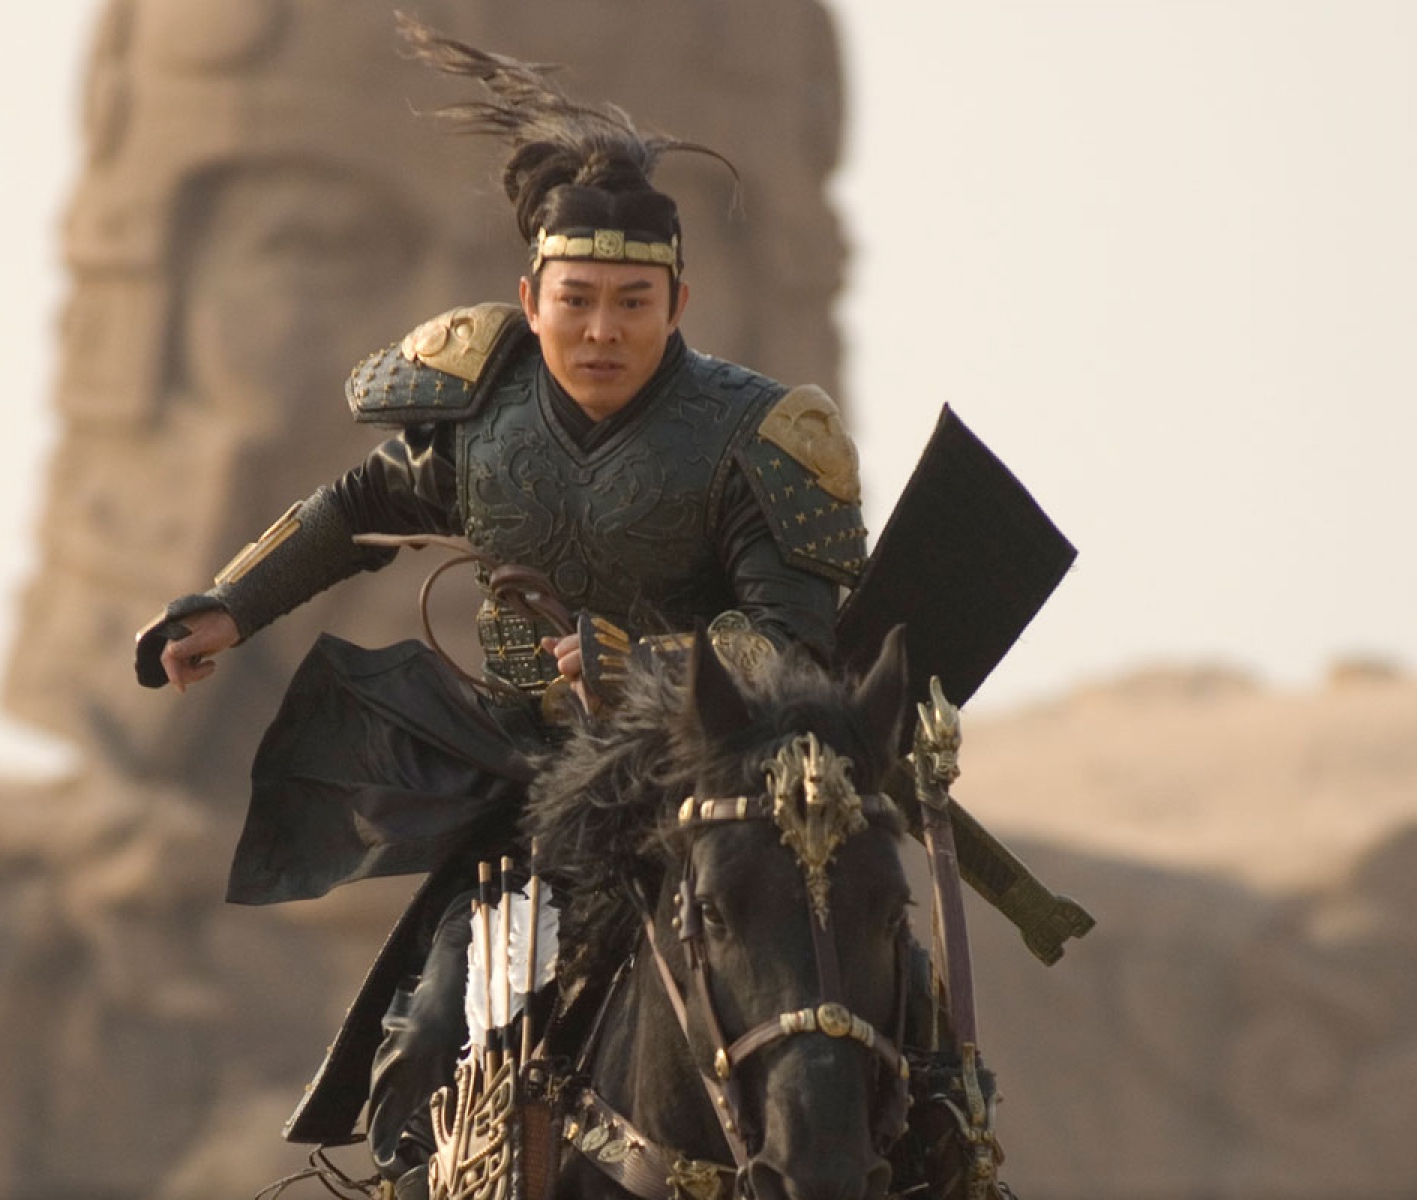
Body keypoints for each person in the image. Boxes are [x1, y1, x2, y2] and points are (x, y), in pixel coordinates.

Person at [136, 21, 868, 1191]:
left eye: (632, 303)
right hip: (534, 796)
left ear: (678, 302)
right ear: (531, 298)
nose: (602, 330)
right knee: (431, 1038)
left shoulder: (757, 438)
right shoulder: (481, 412)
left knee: (831, 1046)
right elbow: (357, 508)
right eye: (578, 300)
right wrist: (229, 608)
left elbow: (793, 649)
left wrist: (638, 666)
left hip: (720, 802)